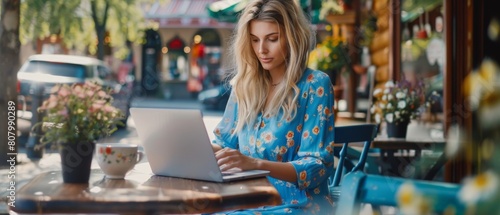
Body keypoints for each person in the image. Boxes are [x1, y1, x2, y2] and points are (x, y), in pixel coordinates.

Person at [211, 0, 336, 214]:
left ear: (292, 36)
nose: (261, 50)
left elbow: (317, 167)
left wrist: (254, 163)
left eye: (272, 39)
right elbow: (223, 144)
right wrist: (185, 148)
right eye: (254, 40)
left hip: (297, 206)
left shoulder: (315, 85)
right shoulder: (244, 86)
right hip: (247, 201)